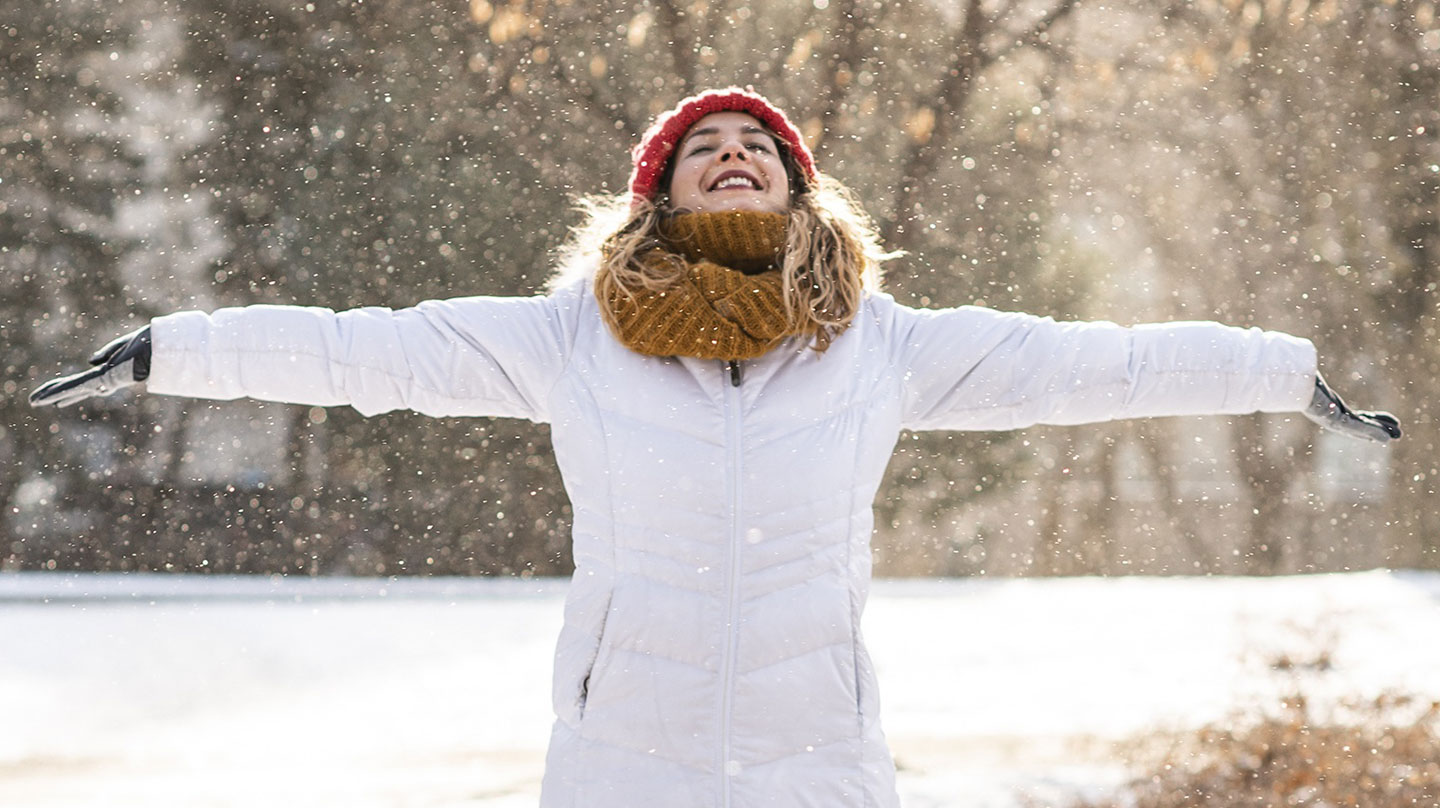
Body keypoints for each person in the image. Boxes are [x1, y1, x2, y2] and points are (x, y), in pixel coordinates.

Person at [30, 87, 1400, 807]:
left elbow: (1098, 364)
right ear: (661, 196)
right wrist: (174, 346)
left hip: (823, 765)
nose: (734, 153)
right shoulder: (573, 338)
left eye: (758, 144)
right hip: (625, 759)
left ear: (799, 190)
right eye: (706, 148)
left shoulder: (882, 345)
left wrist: (1284, 375)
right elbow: (365, 349)